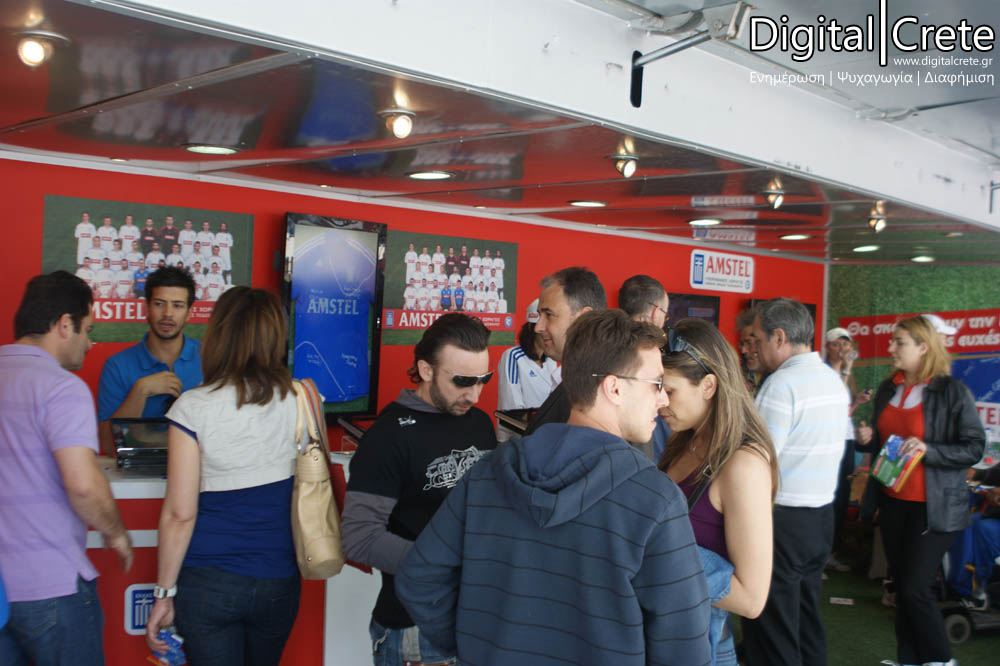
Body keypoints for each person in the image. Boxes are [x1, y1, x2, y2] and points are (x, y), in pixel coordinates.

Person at [395, 309, 711, 666]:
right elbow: (686, 646)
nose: (663, 399)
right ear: (615, 388)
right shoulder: (655, 500)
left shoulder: (487, 473)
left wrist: (474, 643)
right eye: (656, 384)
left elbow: (419, 579)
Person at [144, 287, 303, 665]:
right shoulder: (301, 399)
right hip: (278, 578)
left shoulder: (193, 407)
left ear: (218, 335)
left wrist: (163, 593)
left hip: (208, 583)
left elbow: (180, 514)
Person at [341, 313, 497, 666]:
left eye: (483, 379)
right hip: (414, 630)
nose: (474, 394)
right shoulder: (389, 436)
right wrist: (445, 564)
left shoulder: (480, 423)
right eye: (462, 381)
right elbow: (359, 537)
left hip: (475, 622)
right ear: (426, 370)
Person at [0, 271, 133, 665]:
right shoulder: (62, 387)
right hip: (52, 587)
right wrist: (116, 532)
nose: (90, 344)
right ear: (64, 325)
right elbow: (83, 485)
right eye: (87, 330)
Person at [856, 315, 985, 666]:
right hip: (893, 502)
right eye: (892, 341)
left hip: (934, 507)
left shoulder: (952, 391)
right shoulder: (889, 388)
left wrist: (930, 450)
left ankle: (941, 659)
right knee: (903, 586)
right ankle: (910, 660)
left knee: (914, 587)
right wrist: (867, 439)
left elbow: (974, 447)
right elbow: (884, 442)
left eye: (899, 342)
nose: (890, 348)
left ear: (924, 347)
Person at [658, 318, 779, 665]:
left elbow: (751, 599)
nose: (659, 401)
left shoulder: (743, 465)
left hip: (704, 645)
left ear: (709, 386)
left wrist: (659, 553)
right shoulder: (685, 440)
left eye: (669, 390)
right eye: (656, 388)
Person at [741, 298, 849, 666]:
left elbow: (758, 459)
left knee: (773, 626)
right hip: (820, 518)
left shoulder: (782, 383)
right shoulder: (832, 379)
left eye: (758, 339)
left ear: (780, 337)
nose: (754, 348)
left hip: (782, 520)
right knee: (805, 619)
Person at [97, 267, 201, 454]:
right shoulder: (117, 366)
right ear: (146, 308)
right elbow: (108, 445)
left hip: (199, 470)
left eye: (177, 305)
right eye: (159, 304)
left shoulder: (210, 358)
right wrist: (140, 391)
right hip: (138, 471)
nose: (168, 313)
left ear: (189, 312)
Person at [525, 266, 606, 434]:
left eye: (548, 315)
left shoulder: (598, 392)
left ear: (584, 318)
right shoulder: (572, 380)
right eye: (539, 315)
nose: (538, 327)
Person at [497, 299, 558, 411]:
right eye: (543, 329)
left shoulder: (552, 360)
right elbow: (512, 408)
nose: (549, 334)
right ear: (531, 327)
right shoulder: (513, 356)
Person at [735, 309, 765, 396]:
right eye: (741, 344)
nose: (743, 350)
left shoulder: (779, 376)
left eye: (749, 343)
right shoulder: (738, 373)